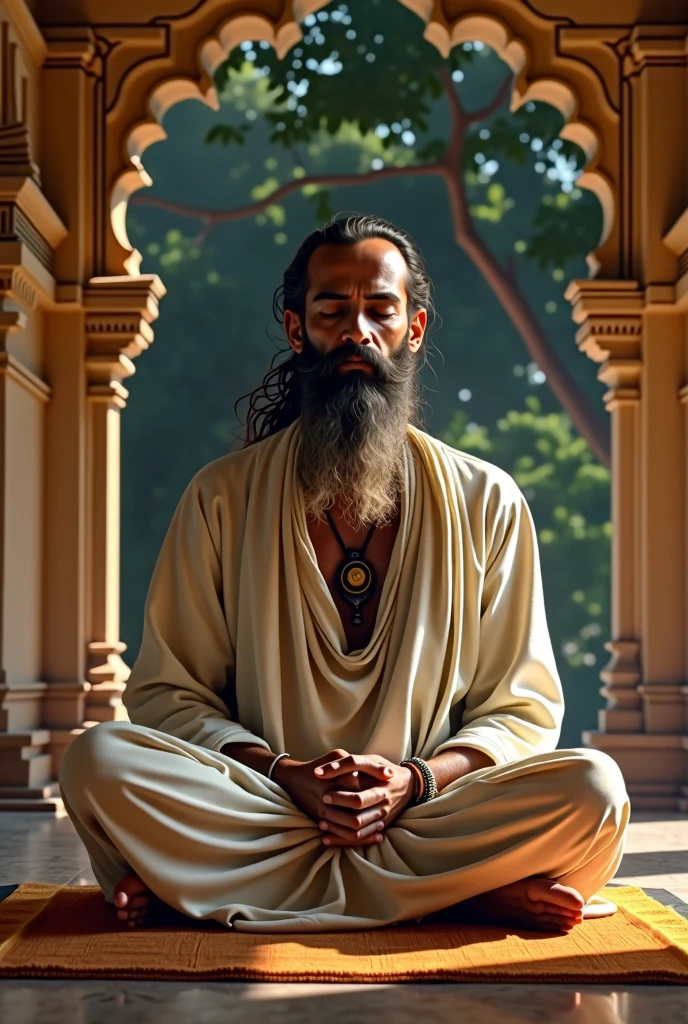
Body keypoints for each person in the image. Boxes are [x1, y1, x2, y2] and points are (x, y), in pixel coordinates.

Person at [60, 214, 629, 934]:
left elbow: (522, 709)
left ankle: (208, 889)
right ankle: (460, 896)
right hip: (269, 805)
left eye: (379, 310)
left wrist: (413, 781)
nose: (357, 330)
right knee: (96, 761)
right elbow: (171, 691)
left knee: (594, 790)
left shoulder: (489, 500)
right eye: (332, 310)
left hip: (426, 813)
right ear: (300, 332)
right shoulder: (220, 497)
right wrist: (287, 775)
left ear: (414, 330)